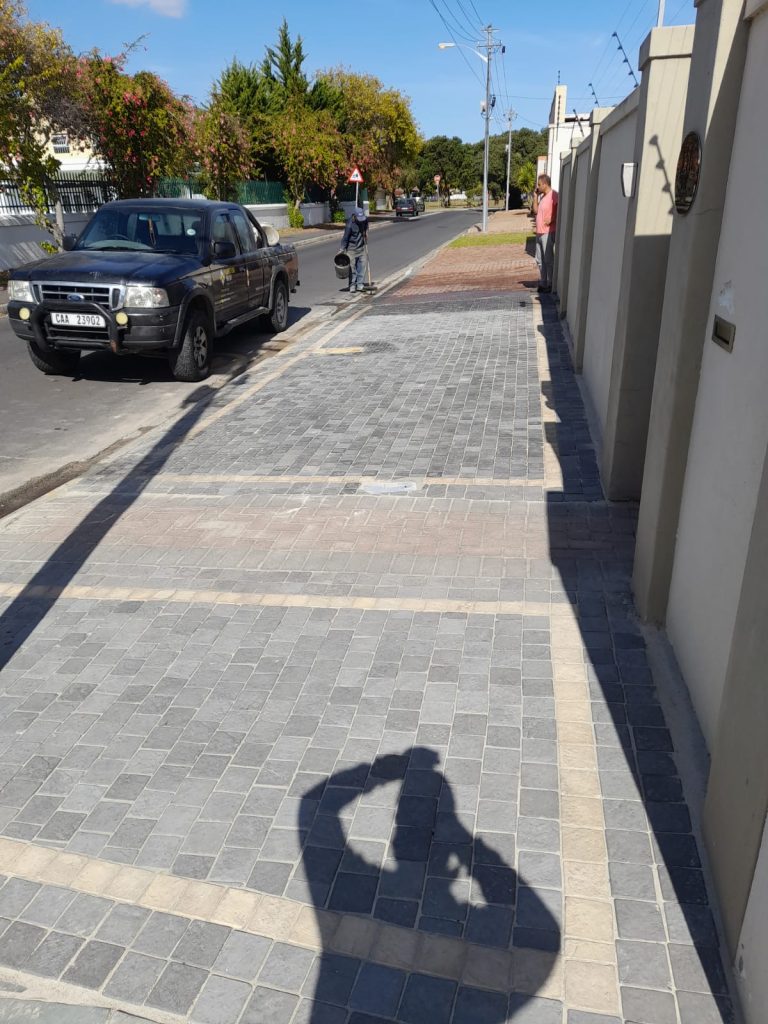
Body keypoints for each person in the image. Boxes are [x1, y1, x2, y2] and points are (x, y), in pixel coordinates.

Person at [532, 174, 558, 293]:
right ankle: (543, 282)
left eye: (539, 184)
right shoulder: (542, 197)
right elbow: (535, 211)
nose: (537, 187)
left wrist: (552, 218)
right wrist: (535, 197)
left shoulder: (554, 195)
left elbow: (560, 208)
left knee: (548, 260)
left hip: (548, 232)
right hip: (539, 232)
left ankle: (551, 283)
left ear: (545, 184)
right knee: (539, 259)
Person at [340, 206, 369, 293]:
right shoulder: (349, 225)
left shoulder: (364, 220)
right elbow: (345, 238)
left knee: (362, 267)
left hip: (361, 247)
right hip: (351, 249)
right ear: (354, 216)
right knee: (352, 269)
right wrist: (342, 249)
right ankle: (352, 285)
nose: (361, 220)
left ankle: (360, 284)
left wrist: (366, 234)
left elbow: (366, 227)